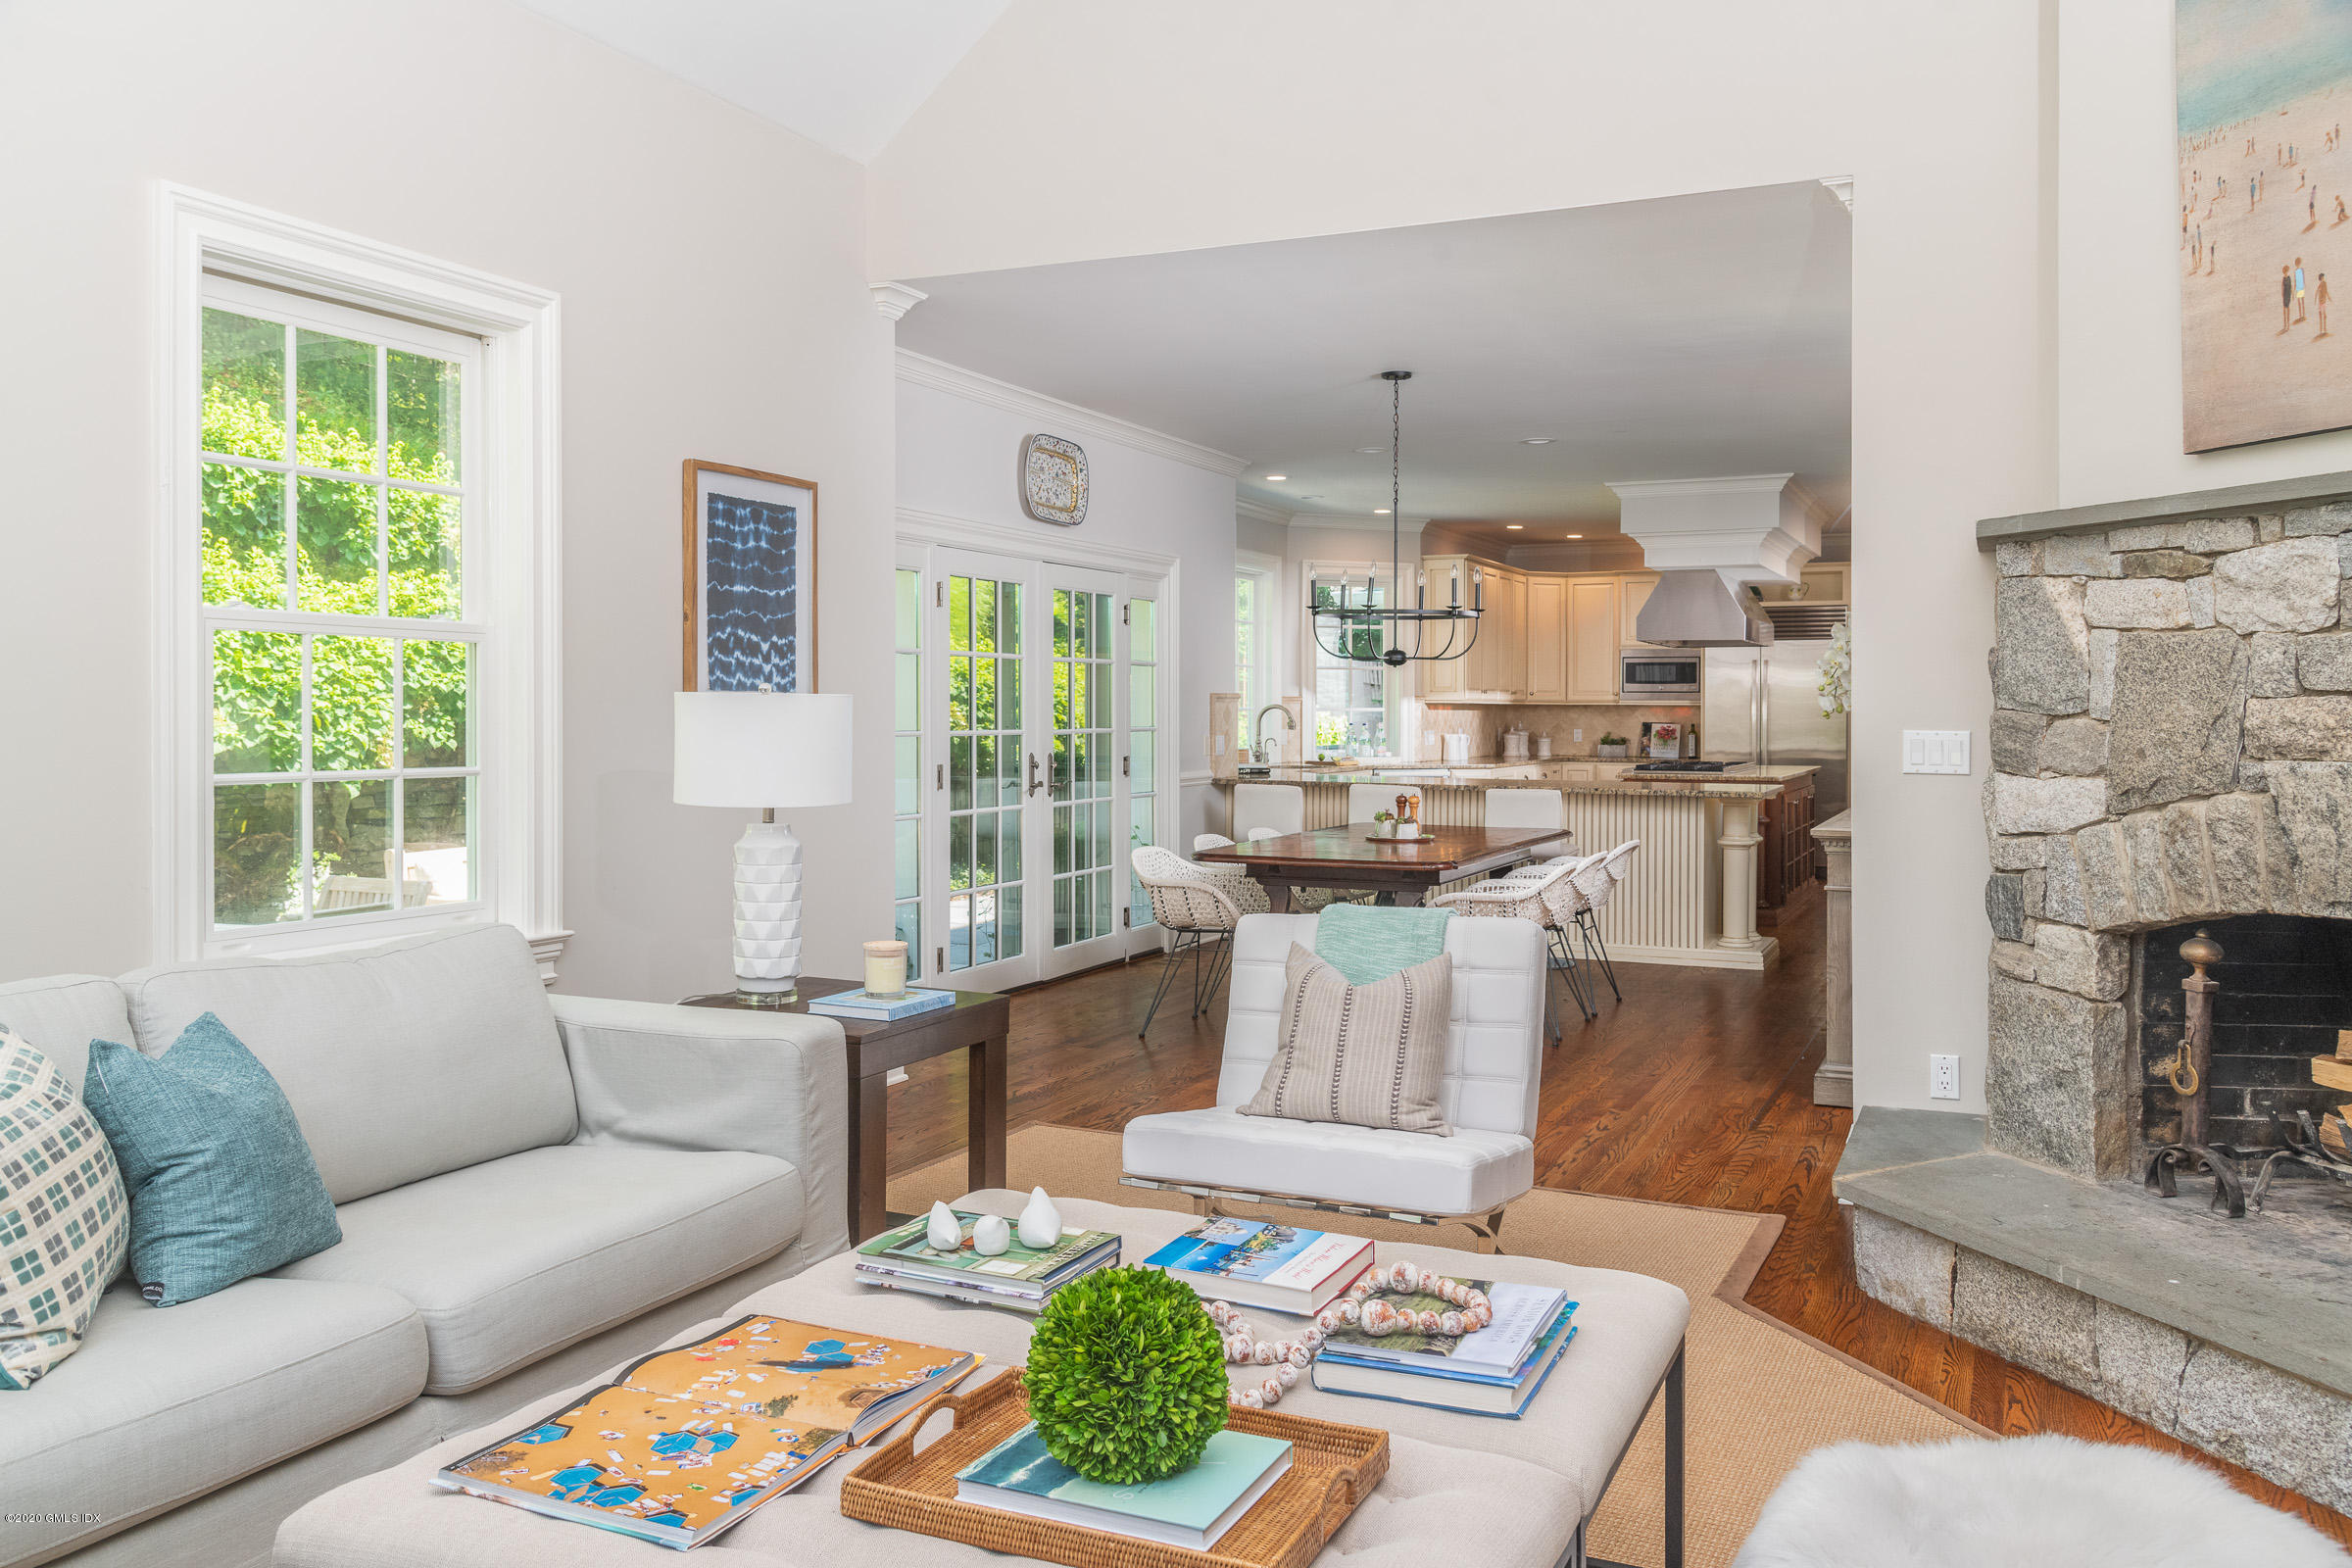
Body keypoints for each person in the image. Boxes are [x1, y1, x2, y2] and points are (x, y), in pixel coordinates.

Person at [2319, 272, 2333, 337]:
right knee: (2321, 315)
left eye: (2323, 277)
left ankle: (2324, 329)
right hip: (2321, 301)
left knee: (2324, 315)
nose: (2323, 278)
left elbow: (2326, 291)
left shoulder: (2324, 283)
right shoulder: (2320, 284)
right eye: (2322, 277)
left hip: (2323, 301)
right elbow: (2318, 292)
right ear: (2321, 278)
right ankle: (2321, 330)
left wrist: (2329, 297)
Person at [2297, 256, 2310, 322]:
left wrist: (2304, 285)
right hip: (2299, 287)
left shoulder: (2300, 270)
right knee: (2300, 302)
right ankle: (2301, 315)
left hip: (2300, 287)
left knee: (2301, 302)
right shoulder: (2298, 270)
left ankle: (2303, 315)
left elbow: (2303, 278)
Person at [2285, 263, 2296, 330]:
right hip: (2285, 295)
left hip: (2288, 295)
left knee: (2288, 310)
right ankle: (2285, 325)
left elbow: (2291, 286)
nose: (2287, 272)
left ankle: (2288, 325)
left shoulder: (2289, 278)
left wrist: (2292, 294)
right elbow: (2282, 288)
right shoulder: (2284, 279)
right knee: (2285, 310)